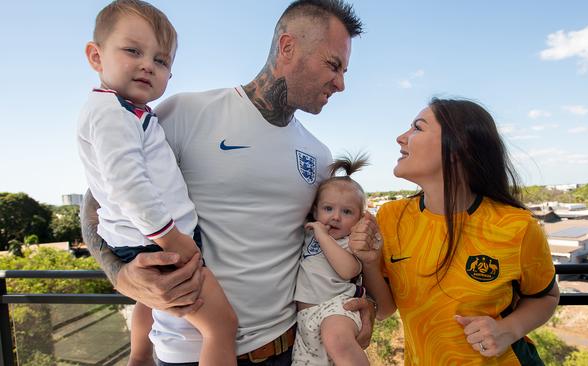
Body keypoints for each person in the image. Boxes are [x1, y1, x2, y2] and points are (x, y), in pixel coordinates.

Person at [80, 1, 378, 365]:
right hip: (187, 353)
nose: (341, 83)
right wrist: (120, 276)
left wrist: (360, 302)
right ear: (288, 47)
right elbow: (97, 202)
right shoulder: (187, 113)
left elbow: (323, 245)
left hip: (284, 349)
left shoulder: (318, 154)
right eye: (333, 65)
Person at [77, 1, 238, 365]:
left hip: (138, 242)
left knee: (147, 304)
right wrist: (171, 237)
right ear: (96, 55)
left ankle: (139, 357)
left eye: (161, 60)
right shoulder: (113, 115)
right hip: (157, 243)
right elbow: (127, 186)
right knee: (221, 327)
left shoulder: (121, 112)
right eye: (133, 51)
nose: (148, 64)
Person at [356, 98, 560, 365]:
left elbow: (546, 296)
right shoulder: (392, 216)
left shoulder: (516, 226)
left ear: (457, 149)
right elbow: (386, 309)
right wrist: (370, 262)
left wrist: (509, 329)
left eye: (417, 128)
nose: (400, 138)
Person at [293, 155, 370, 366]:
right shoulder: (310, 234)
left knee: (338, 341)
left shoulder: (349, 242)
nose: (336, 217)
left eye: (347, 212)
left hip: (337, 308)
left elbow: (348, 270)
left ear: (359, 219)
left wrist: (323, 236)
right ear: (315, 210)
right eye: (328, 209)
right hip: (305, 317)